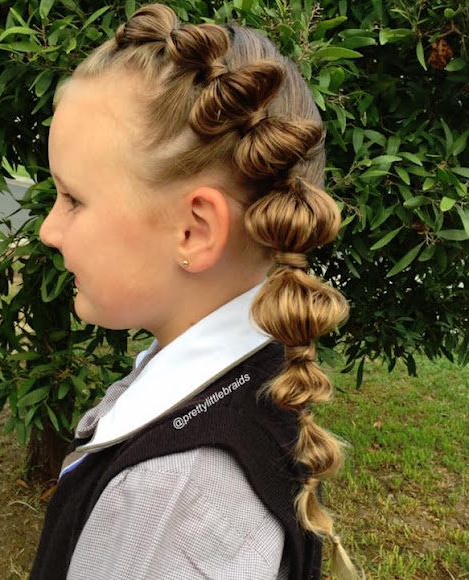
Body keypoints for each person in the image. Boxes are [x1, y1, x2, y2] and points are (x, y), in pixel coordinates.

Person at [31, 4, 360, 579]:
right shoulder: (243, 379)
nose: (48, 230)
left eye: (73, 199)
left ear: (194, 230)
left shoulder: (169, 501)